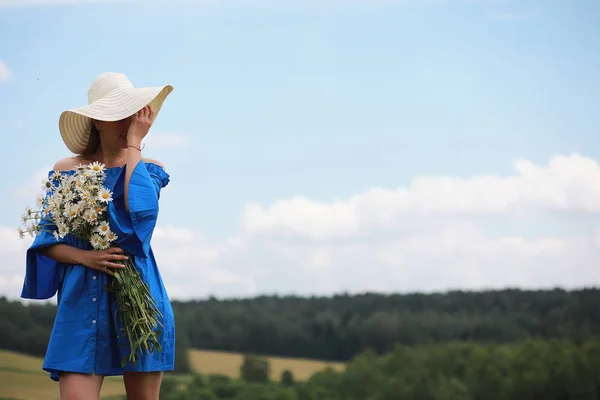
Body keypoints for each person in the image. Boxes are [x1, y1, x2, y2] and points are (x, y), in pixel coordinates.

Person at [20, 72, 176, 400]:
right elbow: (47, 239)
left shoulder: (149, 169)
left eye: (131, 115)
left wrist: (134, 144)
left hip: (141, 302)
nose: (125, 123)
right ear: (96, 122)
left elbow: (141, 222)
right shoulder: (67, 170)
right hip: (81, 301)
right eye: (116, 116)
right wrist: (87, 257)